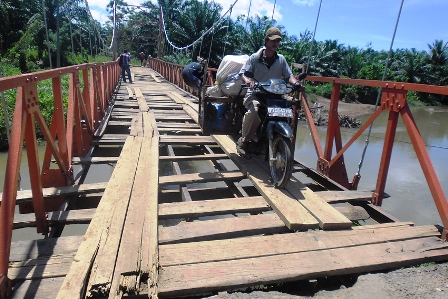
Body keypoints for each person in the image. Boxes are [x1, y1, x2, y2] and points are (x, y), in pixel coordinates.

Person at [237, 27, 299, 153]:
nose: (275, 44)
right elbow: (242, 73)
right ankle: (244, 140)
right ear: (266, 40)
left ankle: (279, 140)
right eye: (273, 40)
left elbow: (289, 76)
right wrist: (248, 81)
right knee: (254, 110)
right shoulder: (254, 58)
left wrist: (296, 83)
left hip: (275, 95)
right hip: (255, 93)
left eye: (278, 41)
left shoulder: (281, 59)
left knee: (287, 110)